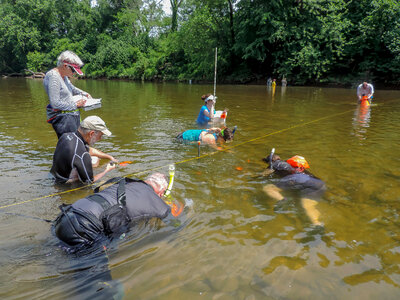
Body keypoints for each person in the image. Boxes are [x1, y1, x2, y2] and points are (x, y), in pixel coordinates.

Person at [53, 173, 181, 248]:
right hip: (85, 227)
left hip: (67, 214)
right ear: (161, 192)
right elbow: (174, 221)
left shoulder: (127, 183)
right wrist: (180, 207)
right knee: (107, 290)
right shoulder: (154, 199)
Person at [262, 152, 326, 226]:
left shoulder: (275, 164)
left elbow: (264, 174)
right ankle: (317, 223)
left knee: (268, 188)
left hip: (298, 179)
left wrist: (255, 176)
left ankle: (283, 200)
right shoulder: (291, 164)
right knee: (308, 206)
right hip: (319, 183)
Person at [50, 116, 117, 184]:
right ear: (91, 134)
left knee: (94, 159)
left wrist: (109, 157)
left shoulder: (66, 136)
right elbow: (90, 182)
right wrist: (107, 170)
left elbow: (90, 150)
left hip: (53, 175)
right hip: (65, 184)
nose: (100, 139)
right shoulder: (82, 154)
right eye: (100, 135)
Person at [44, 50, 92, 139]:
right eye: (73, 70)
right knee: (70, 145)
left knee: (78, 143)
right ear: (65, 66)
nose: (74, 73)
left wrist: (84, 93)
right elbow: (55, 103)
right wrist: (76, 105)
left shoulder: (64, 75)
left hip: (71, 116)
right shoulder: (53, 77)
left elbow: (72, 88)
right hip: (63, 120)